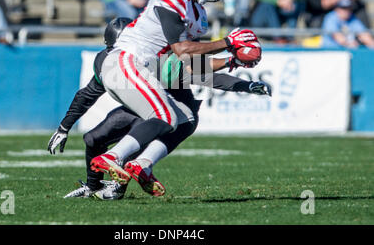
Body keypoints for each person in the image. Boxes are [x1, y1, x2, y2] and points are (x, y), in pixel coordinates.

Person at [87, 0, 259, 196]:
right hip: (127, 61)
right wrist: (228, 42)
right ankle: (112, 156)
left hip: (146, 68)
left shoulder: (195, 12)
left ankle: (141, 164)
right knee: (165, 116)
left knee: (186, 117)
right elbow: (182, 49)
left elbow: (190, 66)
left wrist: (232, 61)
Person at [48, 18, 271, 200]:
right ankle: (93, 187)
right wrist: (64, 127)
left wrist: (243, 81)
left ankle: (117, 185)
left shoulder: (158, 61)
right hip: (139, 110)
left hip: (166, 113)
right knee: (92, 139)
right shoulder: (108, 62)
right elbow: (87, 95)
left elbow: (204, 75)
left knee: (145, 130)